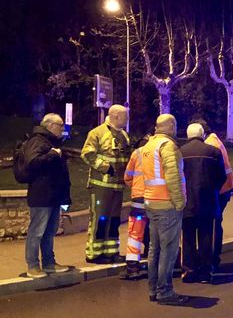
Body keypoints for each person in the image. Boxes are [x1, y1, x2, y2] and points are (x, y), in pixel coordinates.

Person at [141, 114, 188, 305]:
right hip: (167, 204)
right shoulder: (167, 146)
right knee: (168, 251)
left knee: (154, 249)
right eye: (174, 124)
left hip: (151, 203)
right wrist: (179, 202)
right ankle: (165, 291)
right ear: (170, 125)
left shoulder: (149, 146)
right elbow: (173, 177)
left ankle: (153, 289)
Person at [22, 113, 71, 278]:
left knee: (49, 231)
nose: (63, 129)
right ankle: (33, 266)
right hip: (41, 195)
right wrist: (53, 154)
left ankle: (49, 263)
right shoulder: (37, 141)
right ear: (50, 126)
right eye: (60, 126)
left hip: (52, 194)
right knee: (37, 232)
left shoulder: (49, 142)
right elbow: (32, 162)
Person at [81, 104, 130, 264]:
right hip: (100, 185)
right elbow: (87, 154)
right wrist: (106, 167)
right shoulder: (97, 133)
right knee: (100, 219)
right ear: (116, 116)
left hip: (117, 186)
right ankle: (94, 254)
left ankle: (111, 251)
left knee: (114, 219)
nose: (127, 119)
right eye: (125, 116)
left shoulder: (124, 135)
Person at [180, 123, 227, 284]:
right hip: (208, 201)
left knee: (187, 237)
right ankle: (205, 272)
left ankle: (189, 270)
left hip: (186, 202)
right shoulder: (213, 152)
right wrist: (213, 189)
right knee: (206, 236)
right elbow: (222, 176)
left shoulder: (180, 152)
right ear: (202, 135)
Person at [193, 117, 233, 272]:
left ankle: (212, 257)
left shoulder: (210, 144)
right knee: (216, 224)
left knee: (213, 225)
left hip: (219, 190)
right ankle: (213, 256)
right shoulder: (215, 140)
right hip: (224, 188)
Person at [121, 134, 151, 279]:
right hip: (157, 199)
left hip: (139, 199)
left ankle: (133, 268)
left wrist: (136, 187)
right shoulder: (161, 152)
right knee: (158, 231)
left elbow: (127, 177)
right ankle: (156, 263)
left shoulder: (137, 153)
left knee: (135, 233)